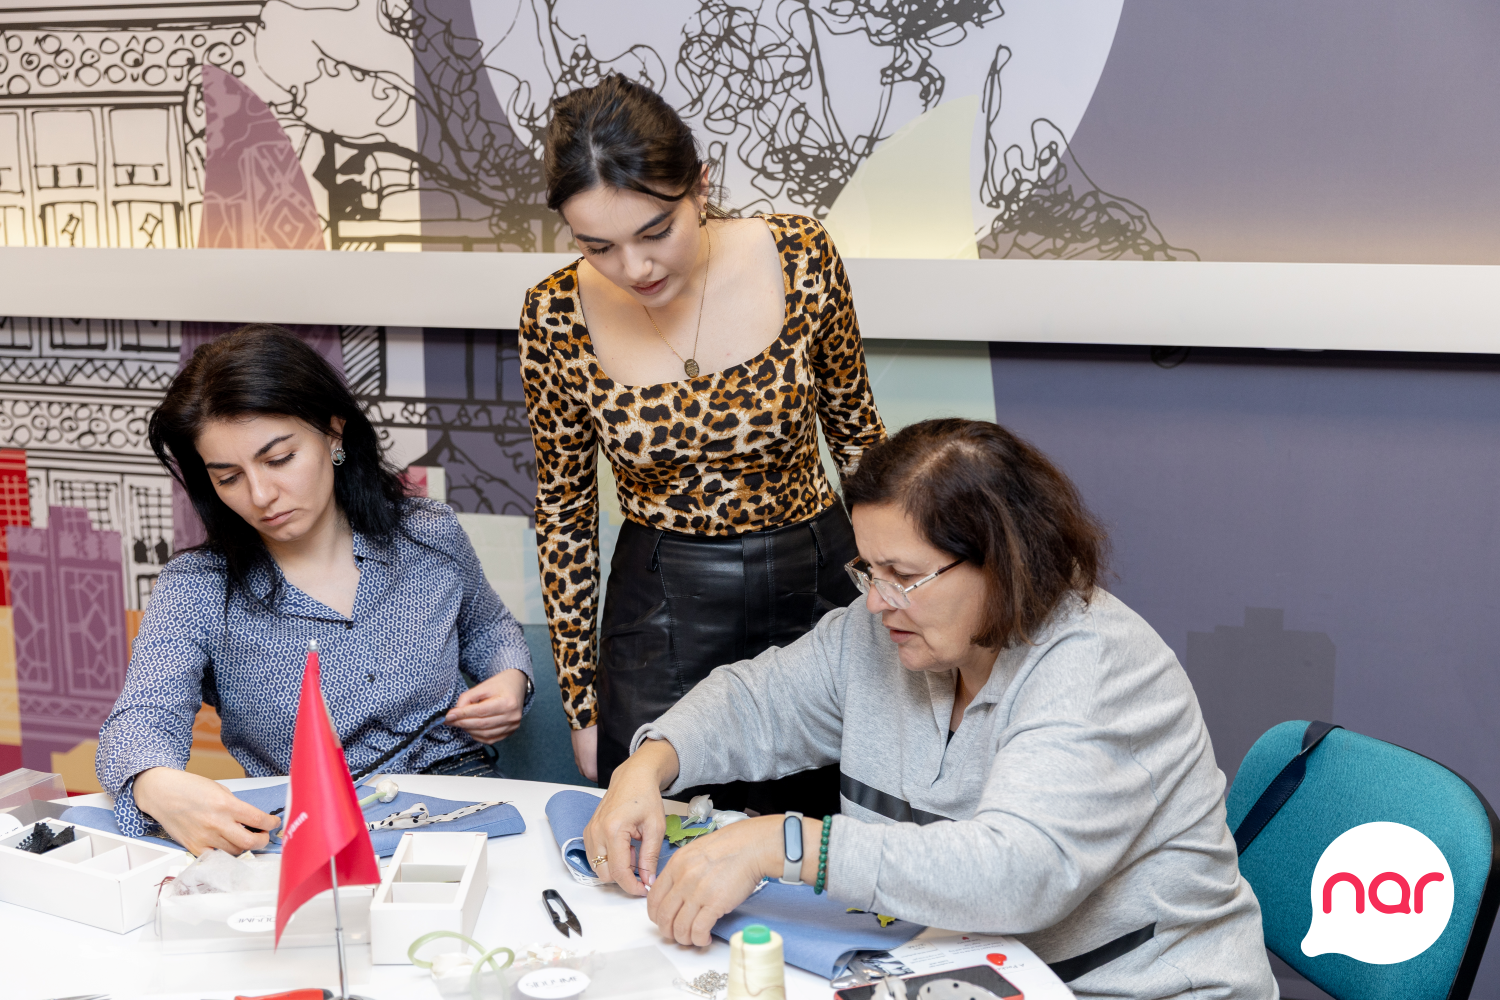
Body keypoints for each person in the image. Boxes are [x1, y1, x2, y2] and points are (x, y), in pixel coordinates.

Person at [584, 419, 1278, 998]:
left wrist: (786, 845)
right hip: (967, 968)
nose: (876, 601)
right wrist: (647, 767)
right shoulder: (884, 633)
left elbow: (1015, 874)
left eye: (904, 576)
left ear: (1005, 561)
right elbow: (757, 702)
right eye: (868, 570)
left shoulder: (1099, 667)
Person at [521, 74, 886, 812]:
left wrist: (899, 591)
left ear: (701, 185)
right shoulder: (553, 314)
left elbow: (860, 443)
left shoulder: (801, 254)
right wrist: (582, 703)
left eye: (656, 231)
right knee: (657, 842)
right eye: (598, 246)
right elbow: (564, 513)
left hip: (816, 588)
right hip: (661, 609)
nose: (635, 268)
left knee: (818, 840)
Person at [96, 326, 534, 856]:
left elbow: (489, 627)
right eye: (228, 477)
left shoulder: (428, 533)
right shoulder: (197, 587)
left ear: (333, 432)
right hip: (307, 826)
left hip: (456, 796)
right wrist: (153, 782)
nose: (261, 495)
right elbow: (142, 717)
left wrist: (510, 678)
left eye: (279, 459)